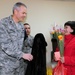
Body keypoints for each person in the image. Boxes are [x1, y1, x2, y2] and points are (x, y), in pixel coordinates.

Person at [0, 2, 33, 75]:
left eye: (26, 13)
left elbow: (23, 44)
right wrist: (22, 55)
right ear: (15, 11)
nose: (25, 15)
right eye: (23, 13)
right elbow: (6, 46)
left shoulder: (21, 26)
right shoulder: (3, 24)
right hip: (7, 66)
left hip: (19, 66)